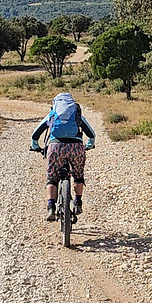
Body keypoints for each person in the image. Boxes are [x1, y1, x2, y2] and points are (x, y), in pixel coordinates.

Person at [30, 92, 97, 221]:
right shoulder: (77, 115)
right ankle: (78, 202)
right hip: (76, 147)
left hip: (56, 147)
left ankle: (51, 207)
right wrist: (88, 145)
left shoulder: (52, 115)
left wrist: (36, 147)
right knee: (78, 176)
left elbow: (35, 135)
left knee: (52, 179)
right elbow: (91, 135)